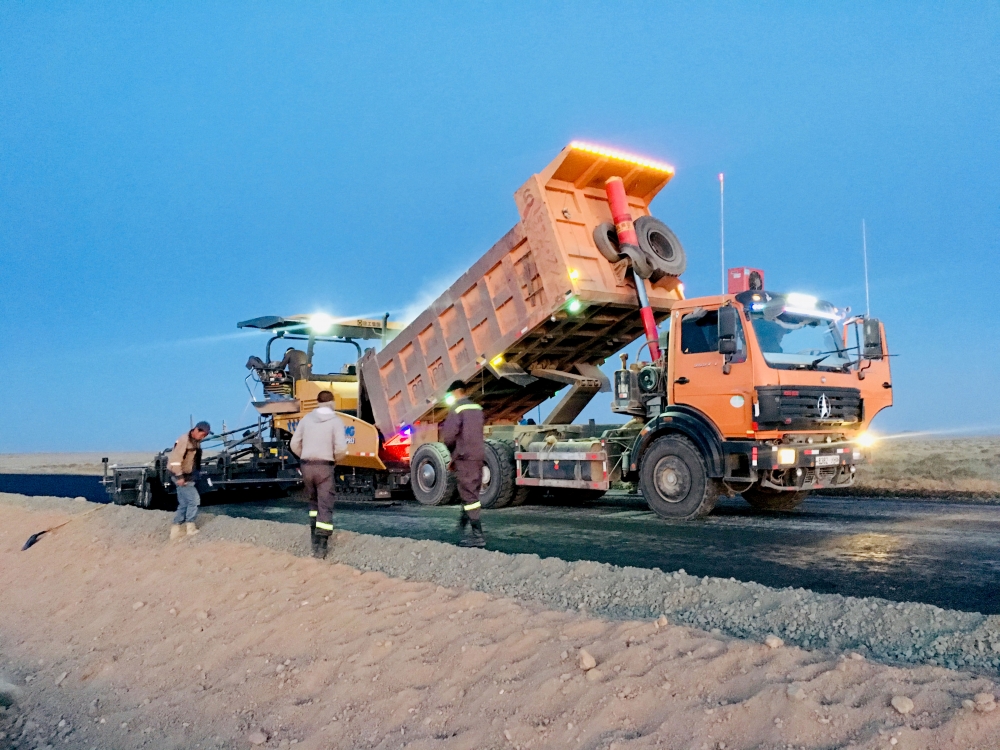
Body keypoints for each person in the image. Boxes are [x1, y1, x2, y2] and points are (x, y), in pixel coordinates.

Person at [290, 390, 347, 559]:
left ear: (317, 402)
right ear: (332, 403)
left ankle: (313, 538)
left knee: (313, 502)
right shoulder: (336, 422)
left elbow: (294, 443)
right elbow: (342, 448)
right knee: (325, 504)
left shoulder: (306, 419)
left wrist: (304, 455)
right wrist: (335, 459)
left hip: (307, 466)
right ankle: (321, 547)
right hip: (324, 466)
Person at [440, 380, 486, 548]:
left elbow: (449, 436)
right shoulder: (477, 409)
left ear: (456, 392)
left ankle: (478, 536)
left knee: (469, 494)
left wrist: (453, 453)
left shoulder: (457, 408)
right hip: (478, 455)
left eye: (450, 394)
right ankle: (460, 528)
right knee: (471, 490)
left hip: (464, 457)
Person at [167, 421, 211, 540]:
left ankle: (176, 528)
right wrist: (180, 477)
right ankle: (190, 526)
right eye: (203, 434)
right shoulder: (184, 441)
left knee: (184, 503)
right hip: (181, 475)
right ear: (197, 430)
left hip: (189, 475)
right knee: (194, 500)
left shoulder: (195, 441)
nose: (204, 437)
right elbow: (176, 460)